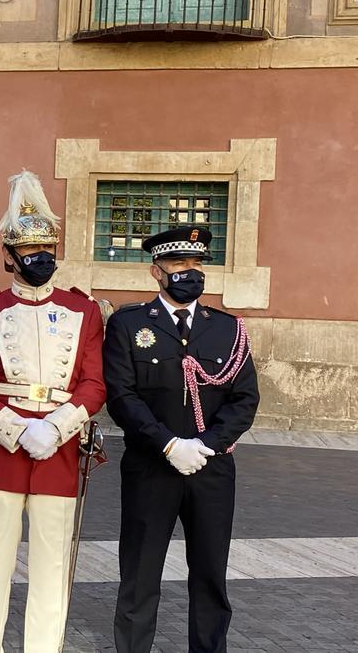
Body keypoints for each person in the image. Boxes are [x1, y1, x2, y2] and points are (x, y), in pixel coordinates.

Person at [0, 170, 108, 652]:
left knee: (51, 567)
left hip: (57, 450)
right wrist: (18, 429)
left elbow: (94, 383)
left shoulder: (84, 312)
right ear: (8, 256)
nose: (40, 259)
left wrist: (58, 428)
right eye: (29, 252)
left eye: (47, 251)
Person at [106, 226, 259, 653]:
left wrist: (206, 445)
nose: (189, 273)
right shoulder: (128, 323)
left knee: (210, 575)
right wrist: (170, 445)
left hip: (211, 469)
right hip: (150, 466)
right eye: (178, 265)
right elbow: (122, 395)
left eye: (195, 265)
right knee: (139, 574)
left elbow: (245, 398)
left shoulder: (228, 329)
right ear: (157, 271)